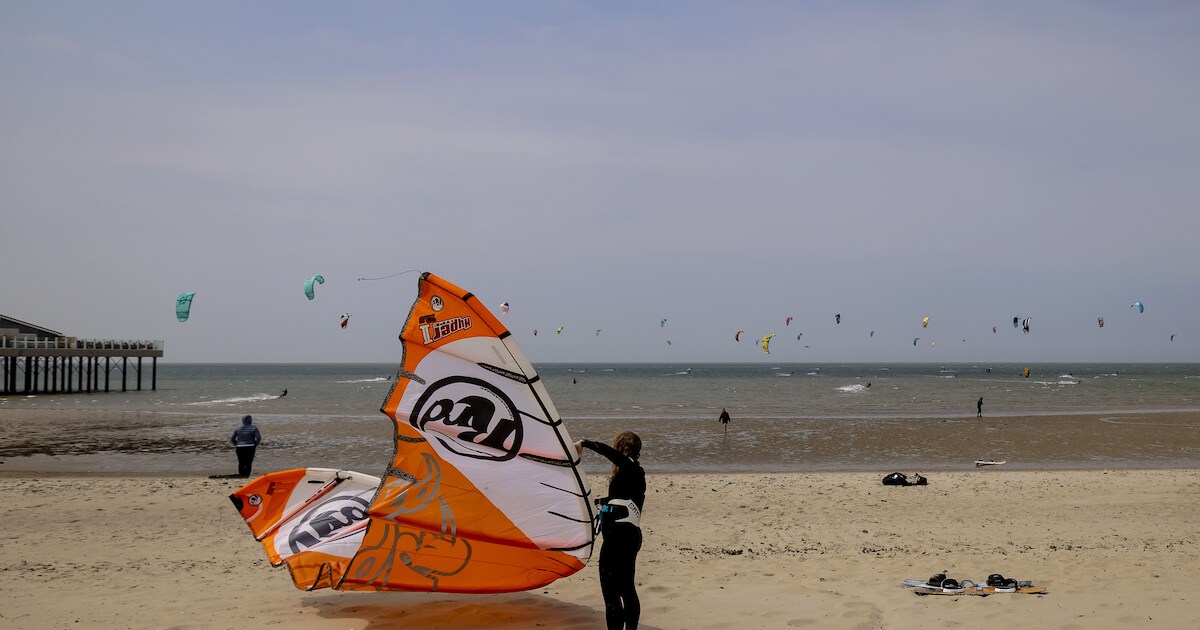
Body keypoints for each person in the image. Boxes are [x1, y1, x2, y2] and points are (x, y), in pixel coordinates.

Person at [576, 432, 645, 630]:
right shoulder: (635, 474)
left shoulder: (629, 467)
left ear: (621, 448)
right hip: (630, 536)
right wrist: (592, 502)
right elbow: (617, 500)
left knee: (611, 593)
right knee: (626, 589)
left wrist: (585, 443)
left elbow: (609, 454)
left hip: (618, 538)